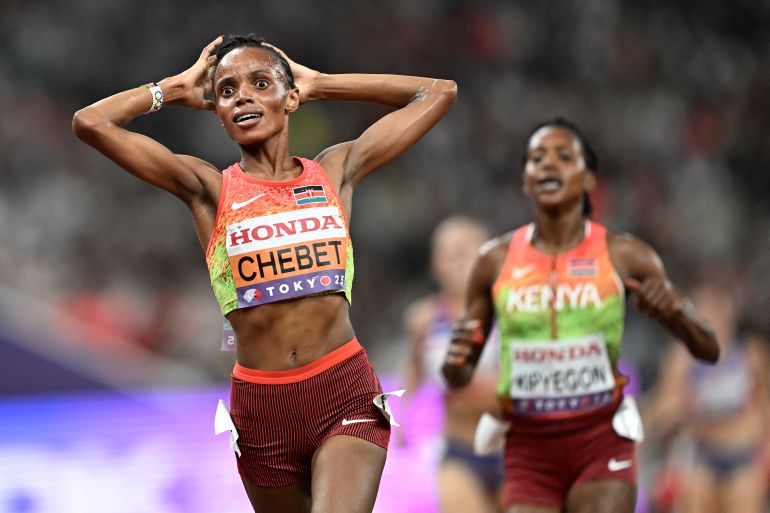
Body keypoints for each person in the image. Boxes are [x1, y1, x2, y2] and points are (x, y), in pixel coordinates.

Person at [72, 34, 457, 513]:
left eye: (260, 83)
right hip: (261, 410)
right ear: (217, 111)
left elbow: (439, 92)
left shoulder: (335, 171)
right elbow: (90, 123)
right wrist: (172, 89)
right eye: (228, 90)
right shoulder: (208, 188)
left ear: (290, 96)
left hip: (344, 392)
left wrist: (324, 85)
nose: (244, 96)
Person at [441, 118, 720, 513]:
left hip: (601, 439)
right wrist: (455, 362)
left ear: (589, 179)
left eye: (563, 156)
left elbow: (708, 347)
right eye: (536, 158)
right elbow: (458, 374)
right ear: (525, 180)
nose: (548, 165)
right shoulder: (494, 261)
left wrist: (674, 312)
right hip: (529, 447)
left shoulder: (626, 255)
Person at [402, 216, 503, 513]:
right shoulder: (423, 319)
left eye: (468, 249)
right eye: (451, 252)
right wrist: (400, 427)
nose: (460, 259)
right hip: (459, 450)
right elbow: (413, 375)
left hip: (514, 450)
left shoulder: (511, 312)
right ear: (436, 264)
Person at [644, 279, 770, 513]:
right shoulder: (682, 359)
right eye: (705, 310)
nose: (713, 316)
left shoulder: (751, 353)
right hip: (701, 456)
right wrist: (678, 409)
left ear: (730, 312)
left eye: (718, 309)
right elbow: (660, 411)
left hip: (743, 455)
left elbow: (766, 404)